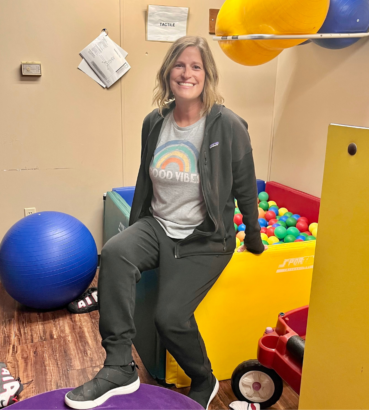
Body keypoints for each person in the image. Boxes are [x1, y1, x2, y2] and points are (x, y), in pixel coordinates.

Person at [65, 35, 265, 410]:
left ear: (208, 76)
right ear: (167, 71)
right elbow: (145, 177)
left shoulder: (228, 125)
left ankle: (203, 379)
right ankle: (119, 366)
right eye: (179, 64)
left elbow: (245, 187)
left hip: (204, 238)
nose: (186, 73)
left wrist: (253, 239)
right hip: (158, 226)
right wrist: (138, 227)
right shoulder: (154, 122)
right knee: (114, 253)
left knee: (169, 317)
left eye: (195, 66)